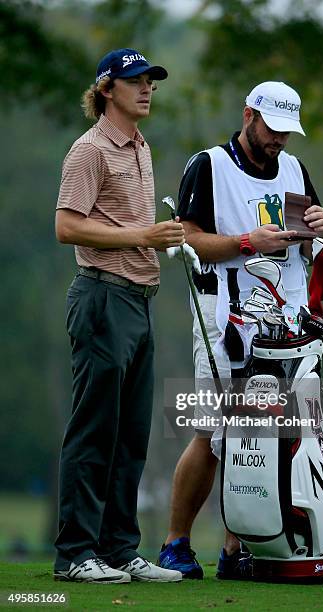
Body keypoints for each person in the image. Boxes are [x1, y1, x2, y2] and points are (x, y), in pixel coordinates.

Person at [157, 81, 323, 579]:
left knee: (266, 433)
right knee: (212, 430)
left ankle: (239, 549)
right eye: (272, 129)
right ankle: (176, 544)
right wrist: (245, 243)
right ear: (248, 115)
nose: (279, 141)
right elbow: (185, 239)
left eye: (286, 133)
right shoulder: (209, 164)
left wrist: (319, 220)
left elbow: (307, 229)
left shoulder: (294, 169)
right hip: (222, 312)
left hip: (283, 317)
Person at [54, 48, 198, 584]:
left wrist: (161, 240)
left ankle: (118, 550)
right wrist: (142, 236)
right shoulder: (89, 150)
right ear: (107, 88)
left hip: (138, 300)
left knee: (132, 434)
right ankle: (75, 554)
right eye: (136, 81)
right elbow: (67, 226)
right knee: (95, 430)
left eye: (151, 82)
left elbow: (126, 226)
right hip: (101, 298)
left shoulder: (141, 147)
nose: (147, 89)